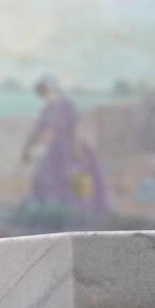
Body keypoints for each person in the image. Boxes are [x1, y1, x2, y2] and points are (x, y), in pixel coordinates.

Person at [21, 75, 109, 214]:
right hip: (54, 150)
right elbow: (37, 131)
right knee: (43, 177)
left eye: (47, 91)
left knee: (73, 178)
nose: (46, 95)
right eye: (43, 93)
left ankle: (80, 211)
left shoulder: (66, 106)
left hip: (70, 148)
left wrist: (77, 149)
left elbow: (75, 129)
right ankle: (53, 210)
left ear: (54, 90)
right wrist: (27, 148)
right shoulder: (47, 110)